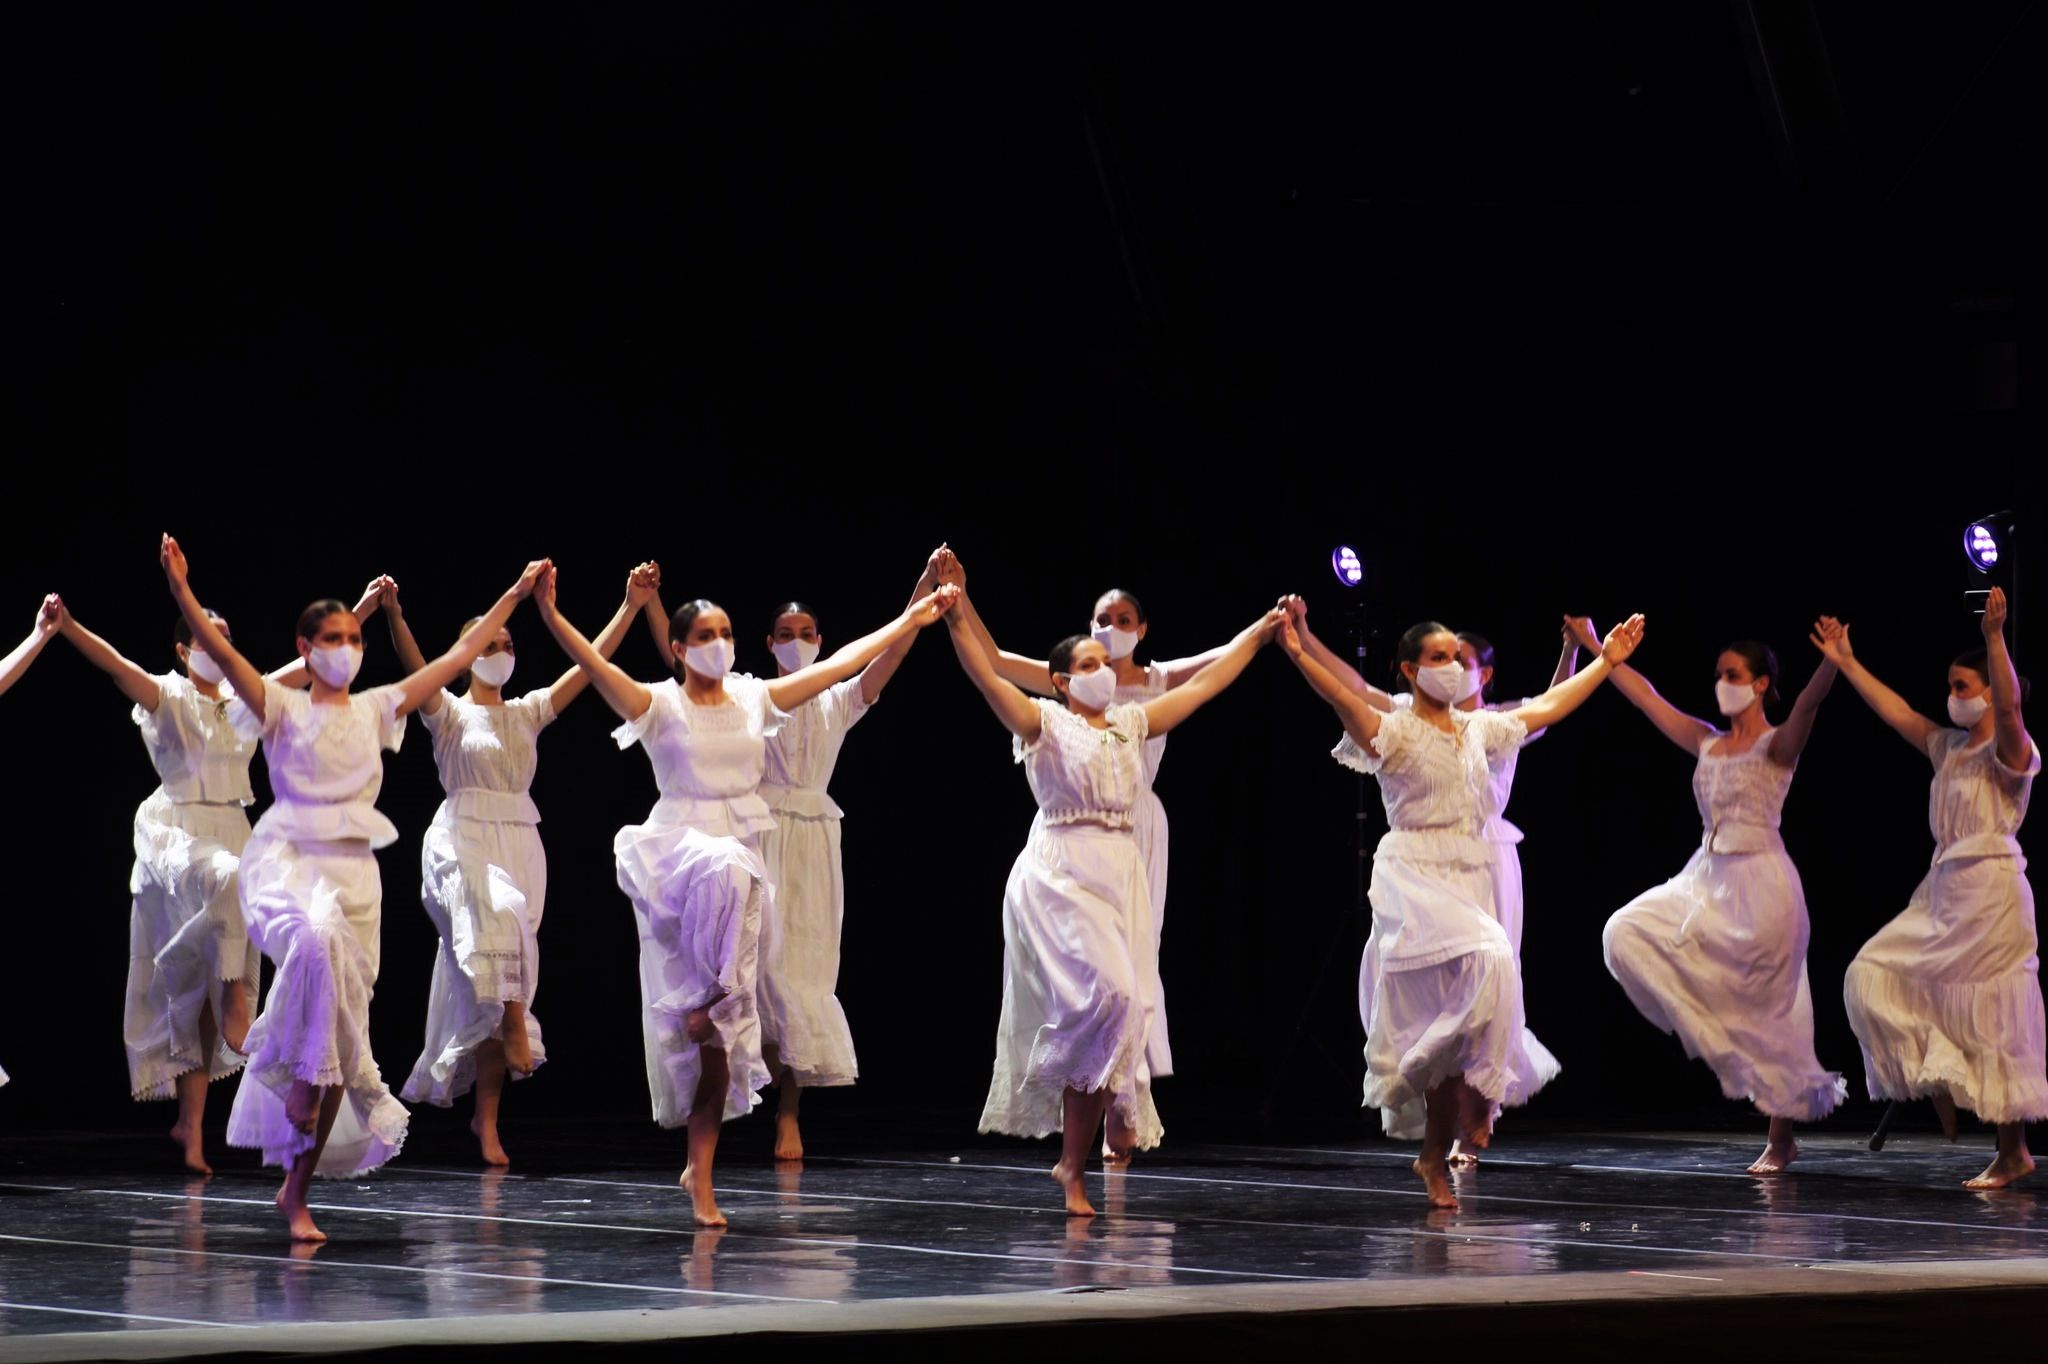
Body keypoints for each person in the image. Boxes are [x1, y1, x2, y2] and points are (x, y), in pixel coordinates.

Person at [536, 562, 958, 1227]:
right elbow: (590, 665)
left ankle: (699, 1173)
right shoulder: (657, 704)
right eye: (704, 633)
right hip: (684, 858)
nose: (719, 642)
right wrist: (554, 613)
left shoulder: (756, 702)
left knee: (721, 1046)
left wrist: (909, 619)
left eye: (726, 631)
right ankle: (711, 1000)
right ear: (677, 648)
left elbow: (844, 663)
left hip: (743, 862)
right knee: (729, 871)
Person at [161, 532, 547, 1241]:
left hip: (355, 874)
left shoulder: (377, 709)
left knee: (343, 1036)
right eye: (330, 637)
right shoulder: (280, 705)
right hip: (289, 864)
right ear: (306, 648)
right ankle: (283, 1063)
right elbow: (231, 664)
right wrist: (181, 589)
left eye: (351, 636)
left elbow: (460, 658)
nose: (345, 647)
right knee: (314, 939)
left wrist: (518, 595)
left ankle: (296, 1188)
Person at [1280, 610, 1644, 1208]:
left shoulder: (1481, 729)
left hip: (1472, 875)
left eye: (1457, 656)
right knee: (1492, 956)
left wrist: (1604, 661)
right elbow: (1345, 693)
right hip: (1413, 877)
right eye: (1439, 657)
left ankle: (1435, 1152)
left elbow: (1549, 709)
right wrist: (1301, 651)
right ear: (1409, 670)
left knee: (1468, 1001)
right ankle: (1433, 1093)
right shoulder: (1393, 729)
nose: (1451, 667)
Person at [945, 585, 1281, 1215]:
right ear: (1063, 681)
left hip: (1119, 870)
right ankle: (1076, 1150)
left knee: (1122, 1010)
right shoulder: (1042, 723)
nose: (1104, 672)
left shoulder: (1132, 722)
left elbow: (1206, 685)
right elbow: (985, 671)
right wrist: (955, 610)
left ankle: (1072, 1163)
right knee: (1109, 998)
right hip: (1058, 874)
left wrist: (1260, 634)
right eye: (1090, 665)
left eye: (1106, 665)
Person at [387, 564, 658, 1165]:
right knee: (501, 925)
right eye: (490, 644)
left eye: (508, 645)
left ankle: (485, 1120)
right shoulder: (450, 712)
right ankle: (515, 1023)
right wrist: (397, 617)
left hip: (519, 841)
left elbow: (592, 666)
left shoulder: (528, 711)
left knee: (501, 970)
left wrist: (631, 607)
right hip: (462, 840)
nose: (501, 652)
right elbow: (420, 669)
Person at [1584, 616, 1845, 1174]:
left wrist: (1832, 661)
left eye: (1732, 674)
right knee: (1625, 930)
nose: (1721, 682)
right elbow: (1647, 699)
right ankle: (1724, 1053)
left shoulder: (1777, 747)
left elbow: (1806, 708)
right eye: (1718, 674)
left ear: (1759, 685)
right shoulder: (1706, 741)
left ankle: (1781, 1136)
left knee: (1778, 1007)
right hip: (1707, 875)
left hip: (1764, 882)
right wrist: (1595, 648)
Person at [1817, 590, 2043, 1189]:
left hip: (1991, 893)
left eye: (1964, 686)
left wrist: (1995, 640)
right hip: (1942, 891)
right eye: (1951, 685)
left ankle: (2012, 1150)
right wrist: (1846, 661)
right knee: (1870, 974)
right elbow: (1897, 712)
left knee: (1996, 1015)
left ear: (1992, 689)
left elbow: (2014, 713)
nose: (1953, 695)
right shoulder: (1946, 747)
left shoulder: (2011, 752)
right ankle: (1939, 1079)